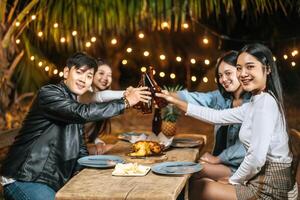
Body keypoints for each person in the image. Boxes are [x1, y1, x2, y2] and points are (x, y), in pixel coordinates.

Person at [0, 52, 151, 200]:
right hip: (25, 178)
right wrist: (126, 101)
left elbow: (80, 150)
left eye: (89, 76)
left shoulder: (74, 105)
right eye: (79, 72)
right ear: (66, 72)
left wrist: (91, 173)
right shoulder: (49, 94)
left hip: (52, 181)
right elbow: (81, 113)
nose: (83, 80)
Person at [157, 43, 298, 199]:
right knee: (196, 182)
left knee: (198, 187)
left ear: (268, 69)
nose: (243, 73)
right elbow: (217, 116)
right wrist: (174, 100)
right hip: (258, 177)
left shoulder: (265, 104)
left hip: (271, 186)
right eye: (239, 68)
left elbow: (256, 158)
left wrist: (234, 180)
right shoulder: (258, 101)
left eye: (250, 67)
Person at [174, 51, 249, 182]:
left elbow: (249, 146)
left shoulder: (254, 103)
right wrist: (166, 95)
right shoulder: (222, 97)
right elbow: (196, 98)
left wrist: (218, 159)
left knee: (189, 173)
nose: (223, 80)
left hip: (243, 167)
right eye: (220, 75)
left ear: (240, 71)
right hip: (225, 164)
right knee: (188, 170)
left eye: (228, 73)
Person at [79, 59, 124, 155]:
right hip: (70, 149)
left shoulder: (99, 98)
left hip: (82, 145)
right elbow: (100, 96)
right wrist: (129, 94)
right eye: (101, 73)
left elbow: (87, 130)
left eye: (109, 75)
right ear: (91, 75)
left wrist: (97, 141)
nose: (106, 78)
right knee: (117, 152)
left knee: (118, 150)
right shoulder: (83, 93)